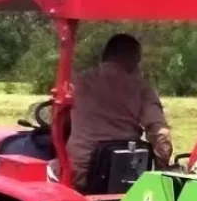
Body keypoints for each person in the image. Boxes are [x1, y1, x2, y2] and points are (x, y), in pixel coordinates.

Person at [64, 33, 173, 189]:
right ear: (134, 59)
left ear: (105, 56)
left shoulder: (77, 83)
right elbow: (161, 134)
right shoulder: (142, 88)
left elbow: (61, 122)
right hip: (127, 173)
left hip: (79, 172)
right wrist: (163, 168)